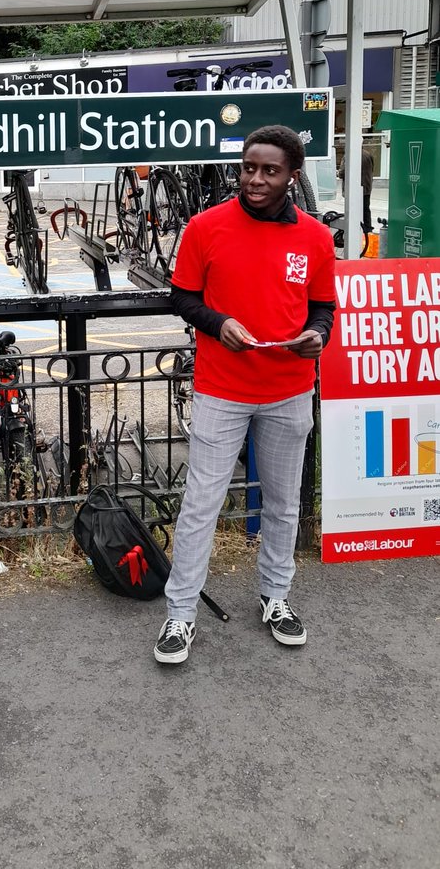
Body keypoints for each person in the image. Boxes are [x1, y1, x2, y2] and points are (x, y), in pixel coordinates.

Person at [154, 125, 336, 665]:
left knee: (283, 504)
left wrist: (317, 335)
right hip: (222, 390)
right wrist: (218, 323)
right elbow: (182, 298)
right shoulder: (205, 227)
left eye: (269, 171)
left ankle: (275, 598)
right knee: (201, 506)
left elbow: (323, 307)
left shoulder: (315, 237)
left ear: (292, 176)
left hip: (289, 389)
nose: (255, 179)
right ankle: (180, 614)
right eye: (249, 168)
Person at [338, 145, 374, 232]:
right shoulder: (368, 155)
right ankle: (367, 229)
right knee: (365, 209)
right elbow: (372, 169)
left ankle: (354, 229)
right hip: (366, 186)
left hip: (352, 188)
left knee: (353, 210)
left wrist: (338, 173)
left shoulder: (349, 155)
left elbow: (342, 172)